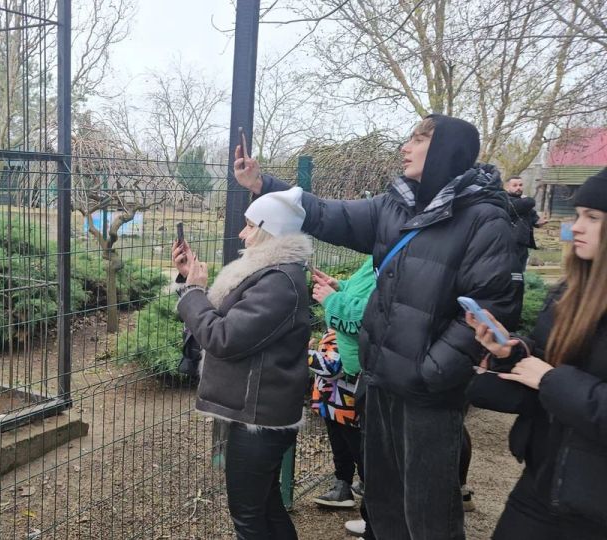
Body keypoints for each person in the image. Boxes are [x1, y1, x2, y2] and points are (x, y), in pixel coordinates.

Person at [234, 114, 520, 540]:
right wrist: (265, 185)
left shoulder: (484, 220)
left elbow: (491, 306)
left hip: (427, 394)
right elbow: (333, 215)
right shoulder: (397, 206)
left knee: (427, 514)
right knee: (382, 504)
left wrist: (431, 372)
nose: (405, 147)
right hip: (380, 382)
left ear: (445, 151)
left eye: (418, 139)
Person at [466, 167, 607, 540]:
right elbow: (547, 358)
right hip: (541, 482)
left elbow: (552, 376)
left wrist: (549, 379)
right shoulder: (569, 294)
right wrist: (509, 352)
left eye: (592, 218)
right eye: (577, 215)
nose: (575, 227)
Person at [172, 190, 311, 540]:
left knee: (248, 518)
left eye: (249, 225)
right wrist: (189, 281)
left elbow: (223, 338)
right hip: (257, 412)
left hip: (259, 418)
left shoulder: (278, 281)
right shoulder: (266, 274)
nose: (242, 233)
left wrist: (194, 294)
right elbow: (221, 318)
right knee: (265, 507)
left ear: (269, 230)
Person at [307, 256, 374, 510]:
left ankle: (369, 489)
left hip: (345, 404)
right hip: (331, 404)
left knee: (357, 449)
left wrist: (304, 356)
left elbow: (333, 367)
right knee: (340, 448)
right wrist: (340, 288)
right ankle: (342, 486)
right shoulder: (337, 329)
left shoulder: (345, 333)